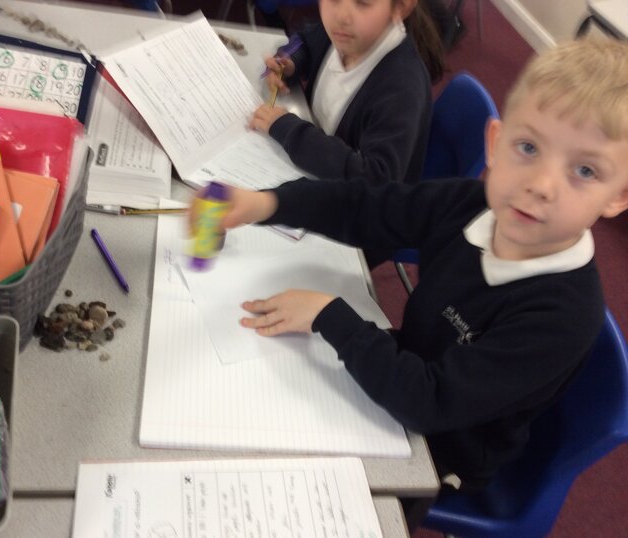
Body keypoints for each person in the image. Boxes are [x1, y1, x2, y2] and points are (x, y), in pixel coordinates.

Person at [195, 37, 628, 505]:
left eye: (585, 171)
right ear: (496, 143)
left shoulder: (563, 316)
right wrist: (269, 203)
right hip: (402, 372)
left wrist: (328, 315)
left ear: (619, 197)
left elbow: (432, 402)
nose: (541, 185)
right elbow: (368, 206)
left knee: (272, 487)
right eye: (528, 147)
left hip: (442, 449)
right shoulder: (473, 204)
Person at [249, 0, 443, 186]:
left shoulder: (402, 89)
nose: (341, 16)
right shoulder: (344, 34)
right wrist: (290, 63)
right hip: (310, 165)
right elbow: (305, 42)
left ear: (401, 7)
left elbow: (376, 180)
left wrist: (290, 131)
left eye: (363, 2)